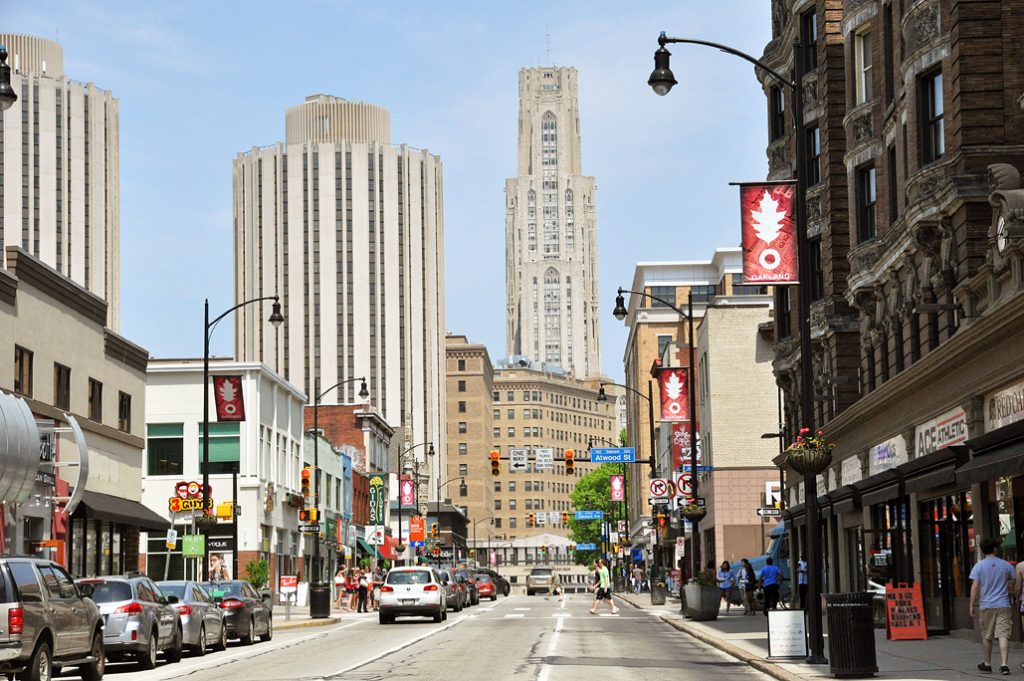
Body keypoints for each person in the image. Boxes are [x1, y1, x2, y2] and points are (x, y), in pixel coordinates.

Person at [970, 537, 1015, 674]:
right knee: (1003, 634)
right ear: (995, 549)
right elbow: (1012, 581)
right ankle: (1004, 665)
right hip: (1003, 604)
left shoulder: (979, 566)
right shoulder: (1006, 565)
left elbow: (975, 586)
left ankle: (987, 663)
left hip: (986, 605)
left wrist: (972, 604)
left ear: (983, 551)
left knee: (987, 636)